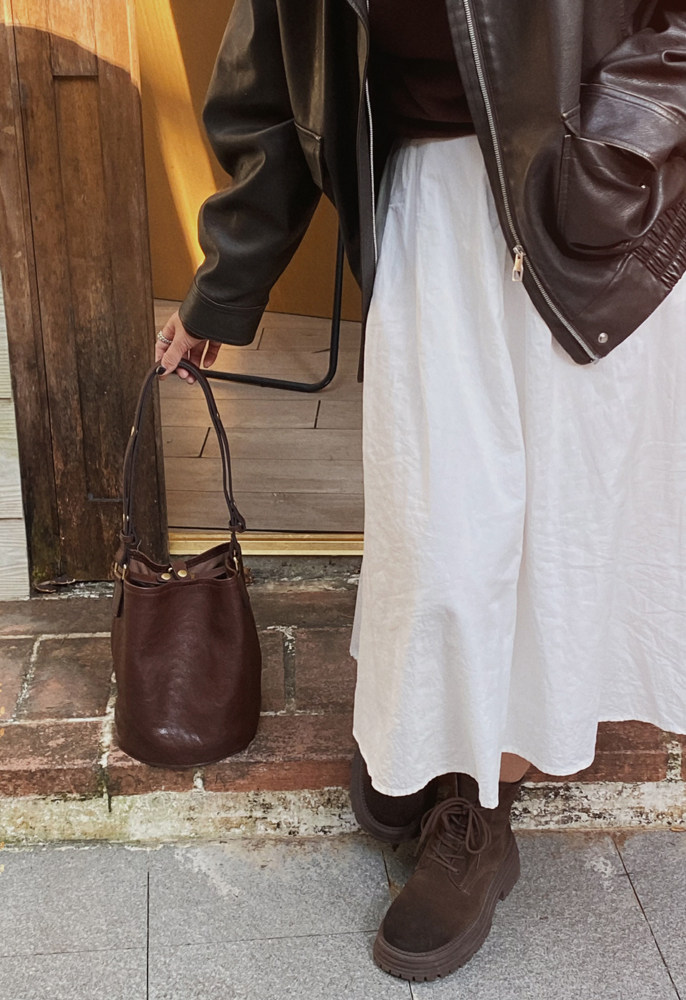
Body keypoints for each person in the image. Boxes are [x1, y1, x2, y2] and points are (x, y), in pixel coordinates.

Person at [155, 0, 686, 982]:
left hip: (589, 205)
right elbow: (274, 89)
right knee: (438, 521)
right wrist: (224, 285)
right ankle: (433, 728)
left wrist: (620, 145)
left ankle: (481, 801)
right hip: (429, 205)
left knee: (555, 531)